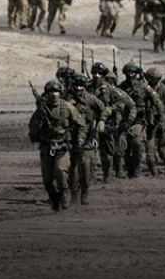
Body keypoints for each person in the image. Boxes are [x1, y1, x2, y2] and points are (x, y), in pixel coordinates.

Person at [29, 79, 81, 212]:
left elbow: (81, 124)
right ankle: (54, 198)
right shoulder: (41, 109)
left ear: (61, 93)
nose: (54, 94)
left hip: (62, 146)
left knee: (60, 171)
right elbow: (33, 130)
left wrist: (78, 142)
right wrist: (40, 117)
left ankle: (64, 192)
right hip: (47, 146)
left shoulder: (67, 107)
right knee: (47, 180)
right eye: (51, 92)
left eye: (56, 91)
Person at [90, 62, 135, 181]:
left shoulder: (111, 89)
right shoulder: (88, 87)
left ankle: (110, 172)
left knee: (109, 150)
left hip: (108, 123)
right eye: (94, 73)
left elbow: (128, 103)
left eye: (99, 73)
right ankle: (92, 175)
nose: (96, 75)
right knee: (90, 150)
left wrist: (117, 112)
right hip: (91, 123)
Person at [64, 73, 104, 205]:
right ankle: (74, 193)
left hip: (87, 137)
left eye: (81, 86)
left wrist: (101, 121)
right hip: (70, 137)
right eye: (76, 85)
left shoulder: (91, 99)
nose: (79, 88)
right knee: (72, 168)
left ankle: (85, 190)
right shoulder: (65, 99)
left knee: (86, 167)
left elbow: (104, 109)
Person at [120, 62, 163, 178]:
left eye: (132, 72)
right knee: (124, 147)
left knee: (137, 143)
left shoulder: (143, 86)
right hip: (125, 119)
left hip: (139, 119)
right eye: (128, 72)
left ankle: (137, 166)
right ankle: (130, 168)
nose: (130, 75)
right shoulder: (122, 87)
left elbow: (157, 101)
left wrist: (159, 117)